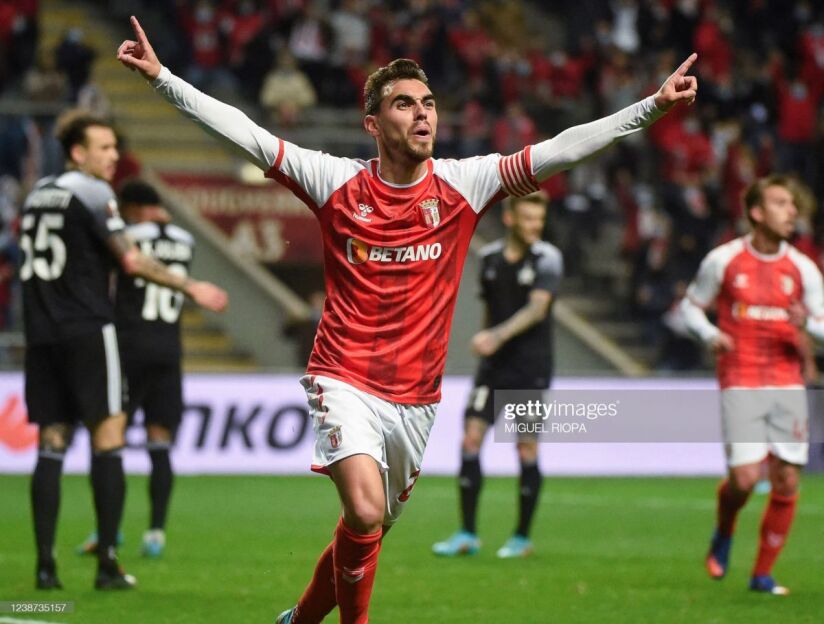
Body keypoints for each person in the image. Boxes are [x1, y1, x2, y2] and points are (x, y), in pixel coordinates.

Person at [117, 16, 697, 622]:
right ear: (373, 123)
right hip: (343, 376)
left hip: (416, 400)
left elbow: (562, 148)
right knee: (365, 511)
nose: (423, 115)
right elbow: (247, 135)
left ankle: (299, 620)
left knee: (366, 530)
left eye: (428, 103)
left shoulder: (464, 185)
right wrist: (163, 79)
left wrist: (651, 106)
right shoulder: (336, 181)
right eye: (404, 104)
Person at [22, 109, 227, 590]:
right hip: (89, 331)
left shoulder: (37, 195)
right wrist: (190, 286)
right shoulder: (94, 192)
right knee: (108, 438)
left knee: (51, 444)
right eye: (105, 148)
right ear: (78, 152)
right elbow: (131, 260)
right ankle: (108, 565)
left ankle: (45, 568)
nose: (114, 156)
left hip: (41, 334)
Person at [680, 174, 824, 595]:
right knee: (744, 480)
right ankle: (725, 528)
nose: (791, 212)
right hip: (740, 375)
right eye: (781, 203)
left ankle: (762, 574)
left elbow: (822, 326)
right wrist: (710, 334)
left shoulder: (803, 268)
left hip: (786, 377)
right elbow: (690, 308)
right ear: (757, 213)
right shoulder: (723, 260)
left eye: (793, 205)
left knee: (787, 479)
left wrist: (807, 326)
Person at [432, 192, 561, 559]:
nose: (535, 226)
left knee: (526, 446)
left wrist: (496, 337)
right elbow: (491, 309)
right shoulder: (489, 258)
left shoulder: (548, 259)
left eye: (539, 220)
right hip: (493, 369)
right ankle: (467, 534)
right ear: (509, 219)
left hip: (530, 369)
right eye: (528, 219)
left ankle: (522, 538)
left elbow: (537, 309)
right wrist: (488, 341)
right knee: (470, 439)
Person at [76, 179, 195, 559]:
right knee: (160, 443)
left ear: (132, 207)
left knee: (109, 439)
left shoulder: (129, 236)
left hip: (128, 348)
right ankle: (155, 533)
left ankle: (106, 530)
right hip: (169, 350)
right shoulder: (186, 240)